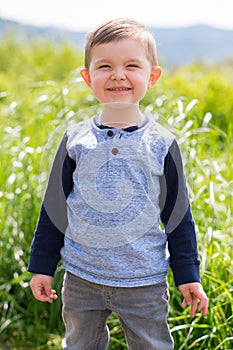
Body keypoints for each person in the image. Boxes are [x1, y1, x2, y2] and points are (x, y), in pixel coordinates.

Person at [28, 18, 208, 350]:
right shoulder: (74, 141)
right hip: (81, 277)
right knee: (80, 345)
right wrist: (41, 266)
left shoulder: (162, 144)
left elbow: (179, 216)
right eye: (105, 65)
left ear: (152, 76)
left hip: (144, 282)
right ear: (88, 77)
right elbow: (54, 208)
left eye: (132, 65)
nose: (118, 74)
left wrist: (188, 275)